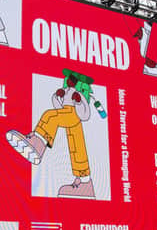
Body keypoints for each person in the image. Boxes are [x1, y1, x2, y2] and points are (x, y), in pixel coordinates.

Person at [6, 69, 96, 199]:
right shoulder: (65, 91)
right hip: (66, 113)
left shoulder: (79, 94)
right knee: (76, 145)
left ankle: (38, 143)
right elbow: (58, 107)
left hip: (73, 115)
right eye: (70, 79)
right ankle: (84, 182)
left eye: (73, 80)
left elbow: (85, 114)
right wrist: (57, 96)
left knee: (50, 116)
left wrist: (78, 102)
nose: (70, 81)